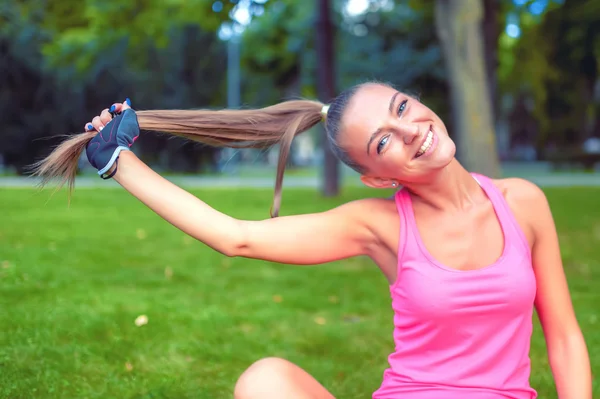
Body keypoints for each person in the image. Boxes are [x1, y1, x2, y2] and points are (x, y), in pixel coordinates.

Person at [32, 82, 592, 399]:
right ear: (378, 176)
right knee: (264, 381)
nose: (411, 130)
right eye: (383, 141)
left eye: (402, 108)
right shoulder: (380, 226)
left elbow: (564, 336)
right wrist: (119, 163)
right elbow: (238, 238)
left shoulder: (523, 202)